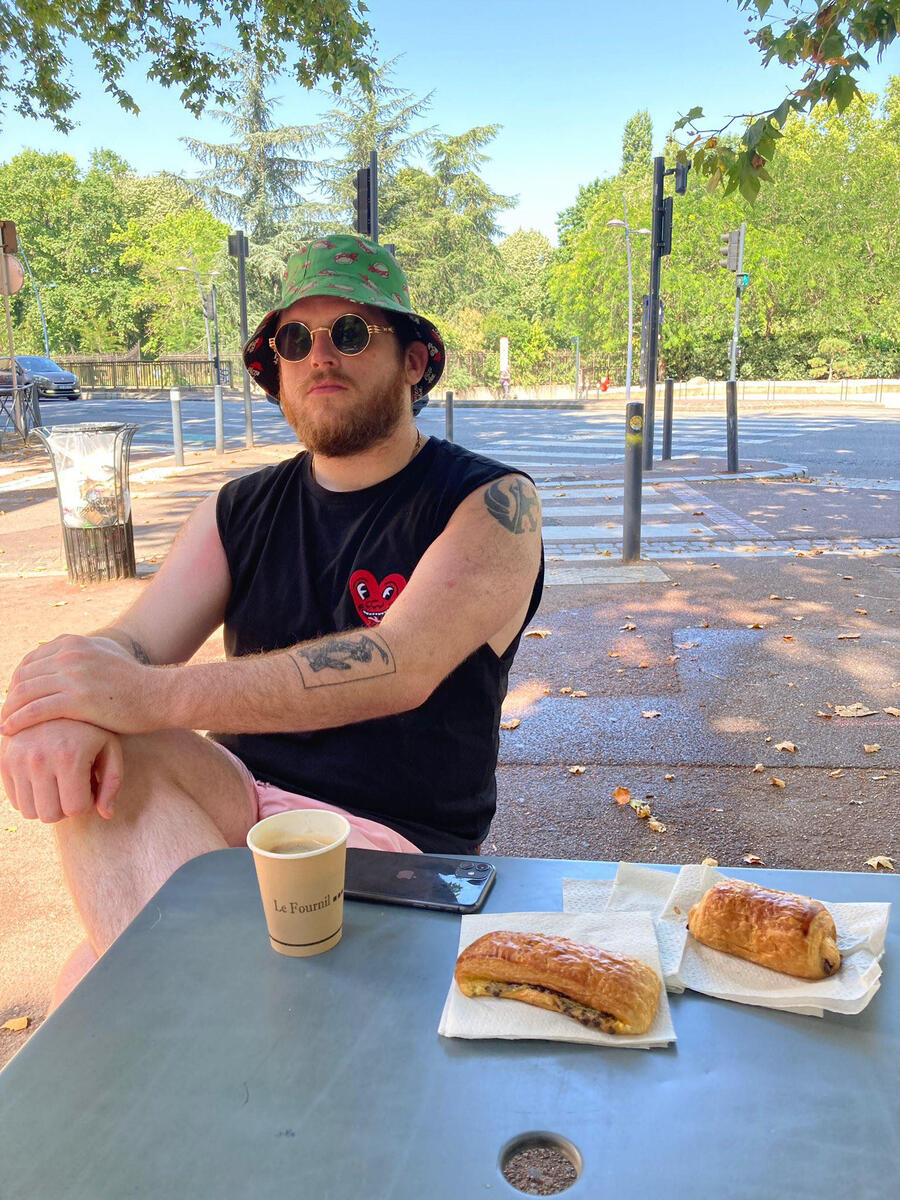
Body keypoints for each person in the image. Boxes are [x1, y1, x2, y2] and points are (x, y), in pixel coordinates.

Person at [0, 234, 544, 1005]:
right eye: (296, 340)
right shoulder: (239, 509)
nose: (320, 355)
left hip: (396, 851)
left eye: (350, 333)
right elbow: (130, 643)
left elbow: (402, 663)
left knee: (99, 997)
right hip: (239, 804)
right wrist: (65, 701)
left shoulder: (491, 504)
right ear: (277, 369)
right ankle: (228, 1045)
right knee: (101, 756)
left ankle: (214, 1045)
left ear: (415, 361)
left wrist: (133, 696)